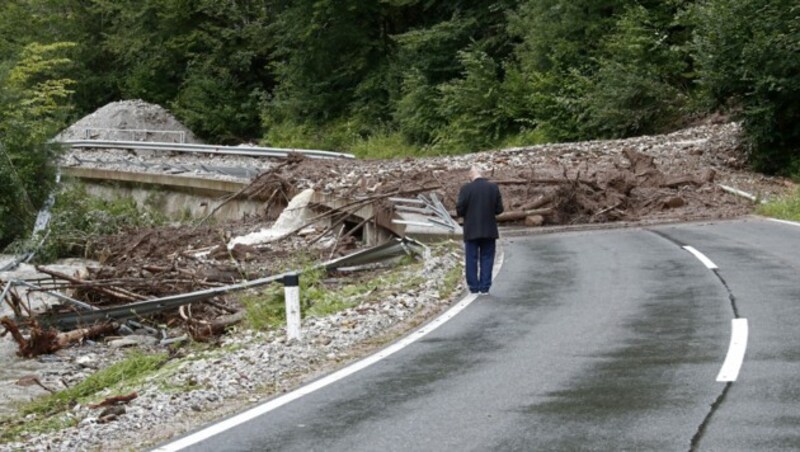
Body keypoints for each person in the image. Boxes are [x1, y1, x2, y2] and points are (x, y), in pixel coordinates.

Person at [456, 165, 504, 294]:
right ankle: (485, 286)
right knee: (487, 257)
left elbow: (460, 209)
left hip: (471, 229)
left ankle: (473, 286)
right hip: (489, 228)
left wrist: (467, 213)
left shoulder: (466, 189)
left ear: (471, 174)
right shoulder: (493, 188)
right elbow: (499, 209)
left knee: (471, 258)